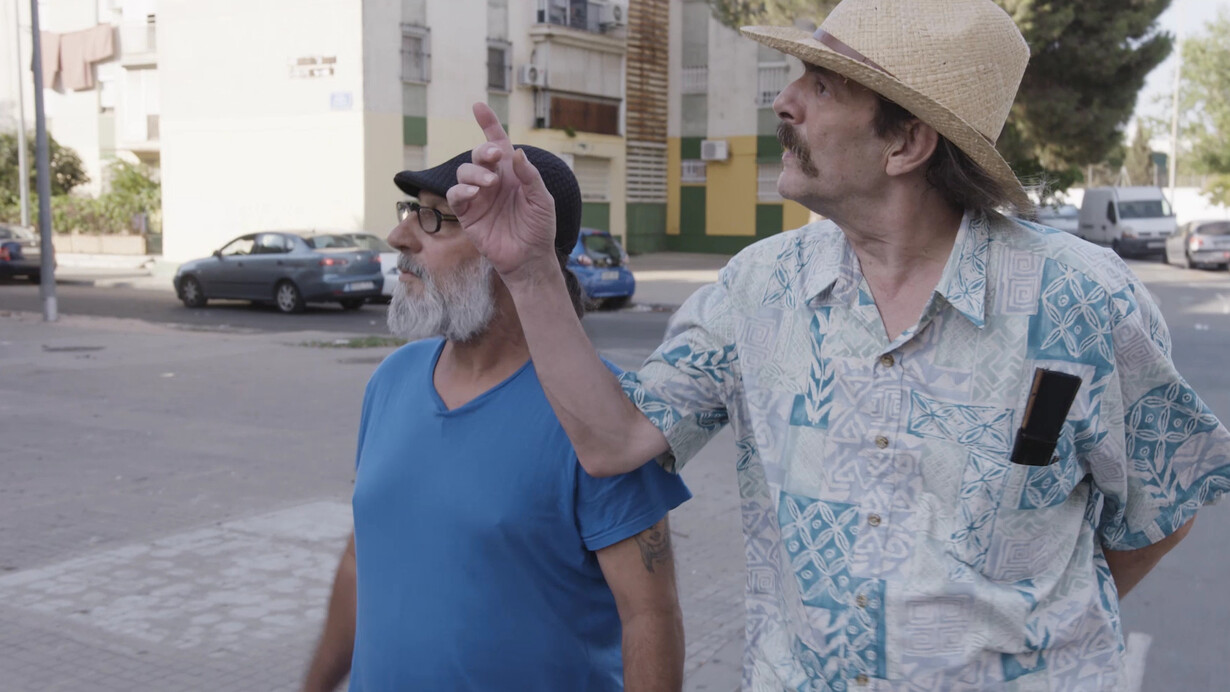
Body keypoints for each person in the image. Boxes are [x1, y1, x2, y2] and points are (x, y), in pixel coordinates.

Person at [444, 0, 1230, 689]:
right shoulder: (758, 289)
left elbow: (1163, 506)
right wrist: (533, 272)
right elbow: (615, 440)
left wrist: (1023, 640)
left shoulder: (1082, 302)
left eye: (821, 86)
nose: (784, 101)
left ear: (907, 144)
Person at [302, 146, 692, 692]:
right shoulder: (392, 380)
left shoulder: (601, 415)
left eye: (436, 219)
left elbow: (649, 616)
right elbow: (361, 561)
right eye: (410, 210)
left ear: (515, 247)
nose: (401, 237)